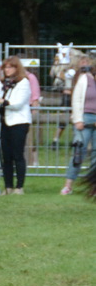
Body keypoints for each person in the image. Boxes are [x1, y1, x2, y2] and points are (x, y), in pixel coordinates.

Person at [0, 58, 31, 194]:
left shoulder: (23, 83)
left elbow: (16, 104)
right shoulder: (4, 84)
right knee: (6, 156)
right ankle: (8, 186)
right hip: (5, 122)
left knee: (17, 155)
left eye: (10, 67)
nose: (7, 70)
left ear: (16, 68)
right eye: (5, 67)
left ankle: (19, 187)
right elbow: (0, 102)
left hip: (19, 122)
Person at [61, 58, 96, 197]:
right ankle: (68, 185)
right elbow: (76, 99)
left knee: (95, 154)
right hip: (84, 118)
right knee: (78, 152)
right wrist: (77, 120)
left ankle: (93, 187)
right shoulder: (85, 79)